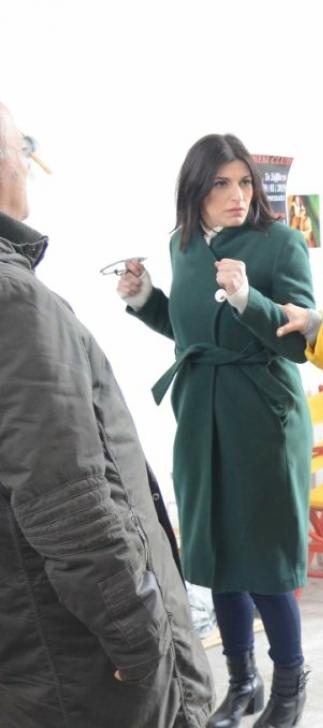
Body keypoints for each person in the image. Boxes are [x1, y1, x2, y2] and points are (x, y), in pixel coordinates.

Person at [0, 103, 215, 726]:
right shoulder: (14, 300)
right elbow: (66, 500)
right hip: (71, 664)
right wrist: (139, 638)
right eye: (25, 147)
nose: (29, 165)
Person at [117, 133, 315, 728]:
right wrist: (146, 299)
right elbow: (190, 331)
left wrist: (249, 298)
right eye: (222, 183)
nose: (237, 195)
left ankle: (290, 685)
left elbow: (300, 342)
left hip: (264, 416)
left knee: (266, 559)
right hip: (201, 415)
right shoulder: (182, 246)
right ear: (195, 190)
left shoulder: (281, 244)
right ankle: (243, 681)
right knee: (218, 555)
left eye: (245, 182)